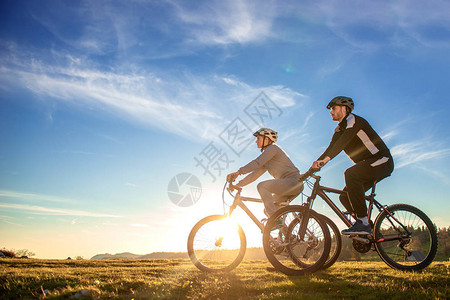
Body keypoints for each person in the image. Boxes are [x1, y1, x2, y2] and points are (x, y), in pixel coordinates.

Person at [310, 96, 394, 235]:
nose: (330, 112)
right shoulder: (339, 129)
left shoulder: (354, 121)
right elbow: (331, 148)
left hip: (382, 160)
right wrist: (311, 168)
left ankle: (363, 222)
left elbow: (341, 143)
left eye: (333, 108)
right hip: (367, 165)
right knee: (344, 196)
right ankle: (367, 228)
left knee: (351, 174)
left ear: (344, 109)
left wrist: (324, 161)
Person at [227, 128, 303, 218]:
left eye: (258, 138)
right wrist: (238, 185)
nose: (256, 141)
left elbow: (257, 162)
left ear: (266, 139)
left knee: (262, 186)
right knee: (269, 209)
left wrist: (238, 172)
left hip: (292, 183)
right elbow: (254, 175)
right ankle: (283, 229)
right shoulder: (267, 161)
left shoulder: (273, 149)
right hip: (287, 186)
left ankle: (273, 220)